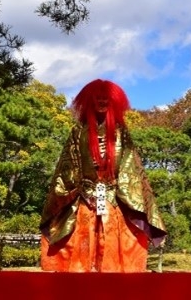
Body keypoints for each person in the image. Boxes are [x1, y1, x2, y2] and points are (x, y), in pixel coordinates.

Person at [40, 79, 167, 272]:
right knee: (79, 245)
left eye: (105, 99)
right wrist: (80, 190)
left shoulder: (120, 132)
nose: (101, 102)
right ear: (89, 101)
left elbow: (130, 167)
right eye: (97, 98)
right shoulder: (78, 132)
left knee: (116, 247)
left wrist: (120, 192)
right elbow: (67, 167)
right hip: (84, 200)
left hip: (113, 200)